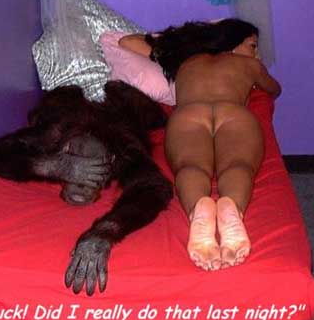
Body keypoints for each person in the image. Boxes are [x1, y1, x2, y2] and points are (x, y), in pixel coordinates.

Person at [118, 19, 281, 271]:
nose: (256, 53)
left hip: (188, 114)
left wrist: (186, 37)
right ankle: (232, 207)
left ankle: (198, 208)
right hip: (233, 112)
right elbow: (274, 89)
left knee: (190, 167)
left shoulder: (185, 60)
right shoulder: (250, 65)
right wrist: (254, 78)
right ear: (233, 43)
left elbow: (127, 41)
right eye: (252, 45)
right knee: (239, 165)